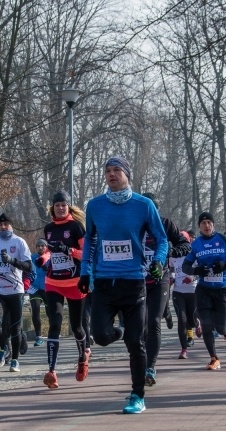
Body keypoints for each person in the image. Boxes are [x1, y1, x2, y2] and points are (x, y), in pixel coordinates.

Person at [79, 156, 167, 414]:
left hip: (133, 282)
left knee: (135, 343)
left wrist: (159, 262)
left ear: (127, 174)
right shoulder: (95, 206)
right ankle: (117, 332)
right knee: (101, 336)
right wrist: (85, 272)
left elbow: (161, 239)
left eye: (117, 170)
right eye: (107, 170)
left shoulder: (143, 205)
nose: (111, 174)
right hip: (104, 283)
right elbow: (90, 240)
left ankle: (137, 396)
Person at [35, 191, 89, 389]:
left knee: (76, 327)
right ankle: (52, 371)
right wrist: (44, 258)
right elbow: (49, 250)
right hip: (54, 282)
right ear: (52, 208)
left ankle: (83, 359)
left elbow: (86, 255)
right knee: (55, 323)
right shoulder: (49, 228)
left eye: (63, 205)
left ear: (68, 207)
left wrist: (70, 251)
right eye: (57, 205)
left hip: (75, 282)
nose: (60, 208)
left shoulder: (76, 227)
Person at [141, 192, 191, 386]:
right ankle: (142, 361)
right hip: (137, 279)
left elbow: (185, 245)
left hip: (160, 279)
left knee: (153, 321)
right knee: (140, 324)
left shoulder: (165, 224)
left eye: (152, 209)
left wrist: (171, 251)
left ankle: (150, 367)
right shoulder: (133, 224)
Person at [182, 212, 226, 370]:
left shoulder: (223, 240)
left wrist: (225, 265)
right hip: (204, 290)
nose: (207, 225)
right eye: (203, 223)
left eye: (209, 222)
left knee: (220, 326)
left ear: (213, 225)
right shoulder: (196, 244)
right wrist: (197, 270)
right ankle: (214, 358)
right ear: (199, 226)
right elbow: (185, 266)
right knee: (207, 326)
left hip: (222, 289)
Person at [0, 213, 32, 371]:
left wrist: (12, 261)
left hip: (15, 291)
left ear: (12, 225)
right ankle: (5, 347)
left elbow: (29, 266)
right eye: (1, 224)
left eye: (6, 224)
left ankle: (15, 361)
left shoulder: (19, 242)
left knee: (15, 328)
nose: (3, 227)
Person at [169, 230, 199, 359]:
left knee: (191, 321)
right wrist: (171, 279)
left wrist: (192, 277)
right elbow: (171, 270)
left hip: (192, 291)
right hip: (178, 291)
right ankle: (184, 349)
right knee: (182, 320)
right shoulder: (172, 255)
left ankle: (198, 324)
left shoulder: (194, 254)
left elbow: (200, 270)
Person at [30, 239, 49, 347]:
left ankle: (53, 334)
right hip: (35, 288)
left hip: (47, 288)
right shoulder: (32, 258)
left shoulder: (49, 257)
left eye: (43, 246)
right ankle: (38, 336)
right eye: (39, 246)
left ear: (46, 247)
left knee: (50, 312)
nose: (41, 248)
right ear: (36, 247)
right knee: (35, 309)